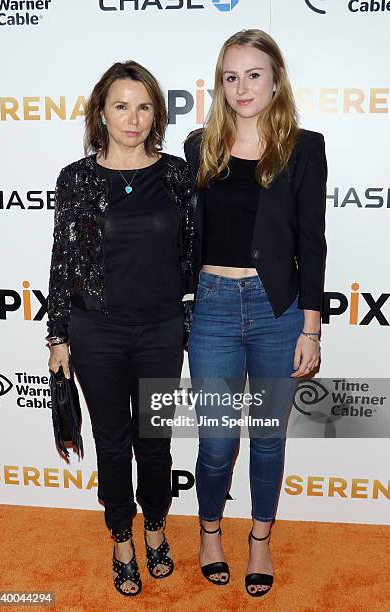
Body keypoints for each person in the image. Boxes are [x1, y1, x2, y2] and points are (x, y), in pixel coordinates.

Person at [184, 29, 327, 597]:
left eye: (253, 74)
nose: (242, 87)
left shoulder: (305, 146)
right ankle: (210, 531)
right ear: (220, 84)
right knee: (217, 441)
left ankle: (260, 540)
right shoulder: (200, 145)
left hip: (278, 310)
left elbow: (311, 243)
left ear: (276, 79)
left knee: (268, 437)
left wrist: (311, 328)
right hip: (213, 307)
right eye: (230, 76)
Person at [47, 61, 194, 597]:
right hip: (97, 335)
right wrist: (58, 335)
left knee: (154, 443)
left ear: (156, 112)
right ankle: (121, 539)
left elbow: (192, 258)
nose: (132, 119)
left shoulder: (178, 176)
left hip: (159, 332)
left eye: (143, 106)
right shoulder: (76, 179)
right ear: (101, 113)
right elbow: (62, 260)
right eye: (120, 106)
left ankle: (155, 527)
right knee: (112, 444)